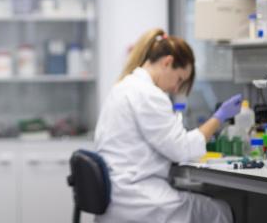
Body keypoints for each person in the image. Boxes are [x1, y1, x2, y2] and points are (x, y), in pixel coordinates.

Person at [94, 28, 240, 223]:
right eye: (179, 79)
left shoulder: (123, 87)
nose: (176, 88)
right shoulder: (148, 94)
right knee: (219, 211)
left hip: (118, 196)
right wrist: (219, 117)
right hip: (138, 200)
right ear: (167, 62)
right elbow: (182, 149)